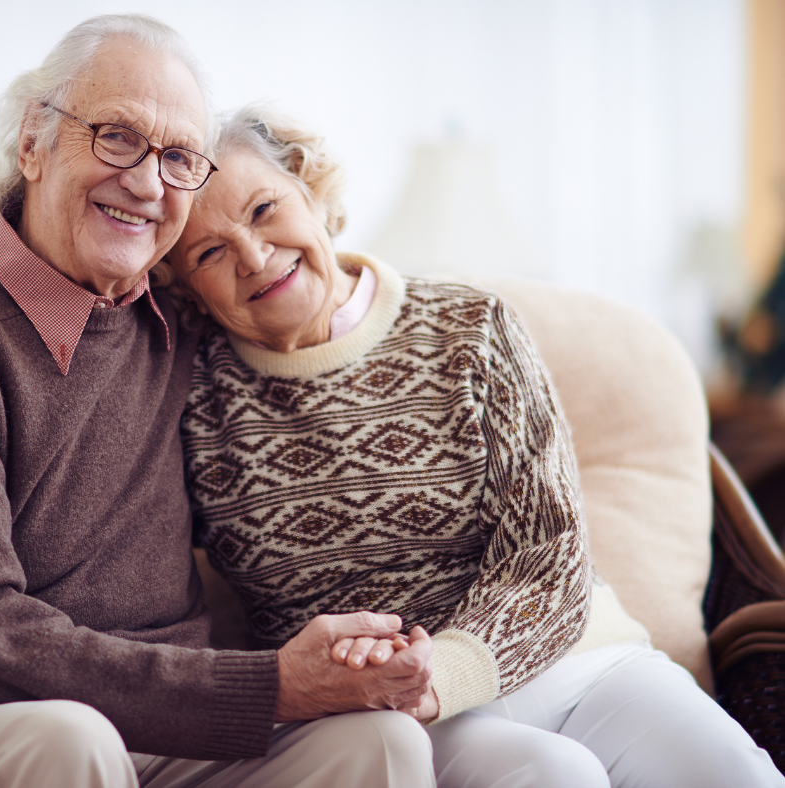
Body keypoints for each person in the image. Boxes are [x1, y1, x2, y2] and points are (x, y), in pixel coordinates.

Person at [0, 16, 439, 788]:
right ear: (33, 142)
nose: (149, 184)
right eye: (118, 137)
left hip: (160, 714)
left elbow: (302, 305)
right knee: (68, 740)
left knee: (382, 746)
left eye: (181, 158)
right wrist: (270, 687)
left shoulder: (180, 315)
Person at [167, 104, 785, 787]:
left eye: (262, 209)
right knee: (556, 777)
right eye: (209, 252)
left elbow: (548, 551)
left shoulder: (469, 328)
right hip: (387, 719)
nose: (254, 257)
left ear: (311, 189)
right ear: (186, 287)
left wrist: (447, 673)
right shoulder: (194, 398)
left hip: (576, 663)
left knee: (738, 775)